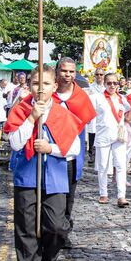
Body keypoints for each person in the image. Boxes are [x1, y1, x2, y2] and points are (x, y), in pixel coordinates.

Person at [4, 66, 80, 261]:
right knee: (26, 230)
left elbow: (74, 149)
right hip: (27, 176)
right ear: (29, 85)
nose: (41, 88)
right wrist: (31, 118)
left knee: (57, 227)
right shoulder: (21, 109)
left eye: (46, 84)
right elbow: (15, 143)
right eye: (36, 83)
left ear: (54, 86)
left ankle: (48, 260)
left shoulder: (62, 113)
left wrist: (51, 148)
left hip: (55, 177)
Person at [52, 57, 96, 249]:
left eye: (71, 71)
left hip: (72, 154)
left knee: (69, 195)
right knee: (53, 195)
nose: (68, 75)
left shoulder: (81, 97)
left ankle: (64, 232)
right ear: (57, 72)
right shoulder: (48, 94)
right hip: (50, 154)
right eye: (64, 71)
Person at [90, 72, 131, 207]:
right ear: (104, 83)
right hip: (103, 136)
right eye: (109, 83)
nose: (112, 85)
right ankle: (103, 193)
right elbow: (85, 107)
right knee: (103, 166)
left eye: (115, 83)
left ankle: (121, 196)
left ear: (119, 83)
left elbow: (129, 118)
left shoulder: (123, 99)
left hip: (119, 137)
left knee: (121, 165)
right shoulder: (97, 98)